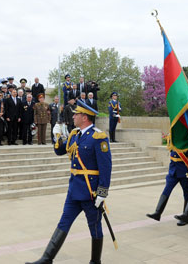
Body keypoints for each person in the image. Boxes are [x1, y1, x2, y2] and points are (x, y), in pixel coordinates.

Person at [27, 100, 111, 264]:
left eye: (76, 114)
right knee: (63, 223)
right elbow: (59, 150)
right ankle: (46, 258)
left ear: (85, 117)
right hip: (74, 191)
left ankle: (95, 261)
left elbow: (106, 168)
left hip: (90, 192)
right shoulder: (75, 134)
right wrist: (56, 134)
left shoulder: (98, 137)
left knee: (94, 227)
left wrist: (102, 193)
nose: (73, 116)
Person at [147, 141, 188, 221]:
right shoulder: (174, 138)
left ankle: (185, 217)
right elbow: (172, 154)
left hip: (184, 171)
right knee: (166, 190)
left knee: (186, 194)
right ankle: (158, 213)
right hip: (173, 171)